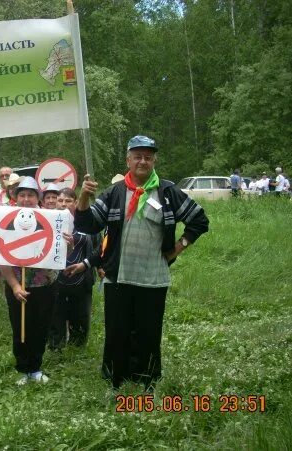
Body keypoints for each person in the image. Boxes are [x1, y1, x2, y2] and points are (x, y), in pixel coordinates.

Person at [75, 135, 209, 391]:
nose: (143, 161)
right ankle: (115, 379)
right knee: (117, 331)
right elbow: (87, 224)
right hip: (117, 276)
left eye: (148, 157)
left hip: (154, 277)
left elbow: (199, 221)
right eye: (137, 156)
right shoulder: (114, 193)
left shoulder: (168, 192)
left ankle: (147, 380)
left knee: (148, 332)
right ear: (128, 160)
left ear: (154, 160)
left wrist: (178, 248)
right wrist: (83, 197)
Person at [0, 177, 58, 385]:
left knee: (41, 326)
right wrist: (15, 285)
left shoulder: (50, 219)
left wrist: (65, 241)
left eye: (30, 195)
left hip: (45, 284)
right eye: (22, 195)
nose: (26, 199)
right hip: (17, 283)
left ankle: (36, 367)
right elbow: (0, 256)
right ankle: (22, 368)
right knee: (20, 325)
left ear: (38, 198)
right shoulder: (5, 220)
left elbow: (60, 251)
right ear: (16, 198)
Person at [48, 188, 100, 350]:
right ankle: (56, 345)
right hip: (55, 278)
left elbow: (100, 246)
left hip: (82, 276)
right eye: (60, 200)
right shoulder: (48, 221)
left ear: (76, 203)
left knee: (81, 314)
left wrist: (94, 265)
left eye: (68, 201)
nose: (63, 204)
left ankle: (77, 348)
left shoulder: (86, 221)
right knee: (55, 313)